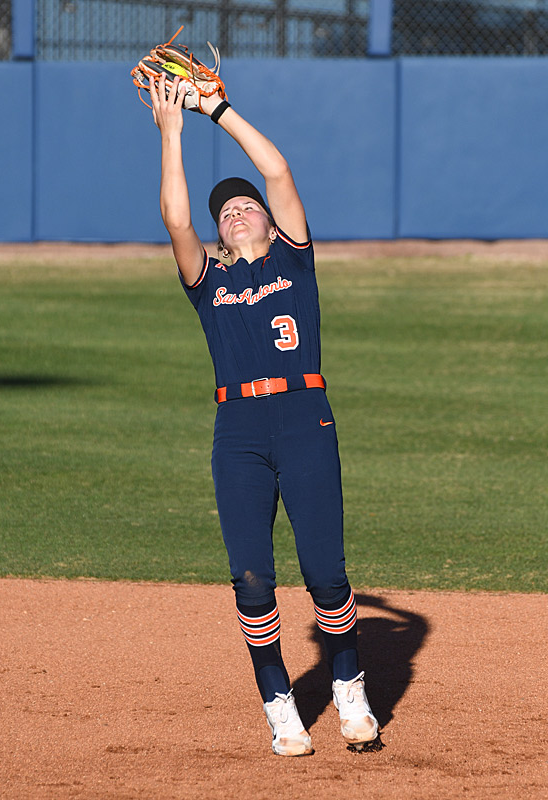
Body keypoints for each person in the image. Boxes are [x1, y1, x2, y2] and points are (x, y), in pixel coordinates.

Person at [149, 73, 379, 756]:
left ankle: (349, 690)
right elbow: (176, 220)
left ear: (273, 222)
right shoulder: (209, 283)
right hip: (240, 435)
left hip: (306, 418)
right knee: (251, 574)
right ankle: (280, 705)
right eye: (228, 213)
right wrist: (172, 133)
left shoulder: (295, 262)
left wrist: (216, 108)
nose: (236, 214)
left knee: (325, 571)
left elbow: (275, 169)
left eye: (246, 206)